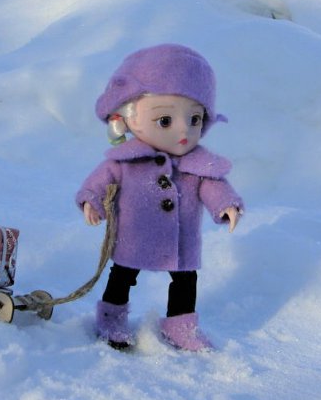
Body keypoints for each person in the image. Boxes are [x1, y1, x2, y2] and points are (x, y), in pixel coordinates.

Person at [76, 44, 243, 351]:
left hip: (181, 239)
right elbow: (100, 181)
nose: (184, 131)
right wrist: (91, 200)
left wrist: (226, 205)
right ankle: (112, 318)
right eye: (165, 120)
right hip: (134, 234)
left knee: (185, 280)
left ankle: (181, 326)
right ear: (128, 118)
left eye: (194, 120)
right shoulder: (125, 160)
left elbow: (213, 187)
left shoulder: (197, 164)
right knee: (123, 274)